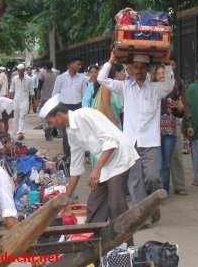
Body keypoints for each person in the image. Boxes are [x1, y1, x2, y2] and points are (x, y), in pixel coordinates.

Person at [40, 95, 139, 243]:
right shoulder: (71, 132)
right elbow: (76, 165)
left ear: (59, 115)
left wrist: (97, 168)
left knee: (116, 205)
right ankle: (92, 243)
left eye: (50, 121)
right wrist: (67, 196)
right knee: (94, 204)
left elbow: (111, 142)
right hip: (105, 164)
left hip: (119, 159)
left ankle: (127, 248)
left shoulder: (85, 114)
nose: (51, 126)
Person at [98, 50, 174, 225]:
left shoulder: (156, 88)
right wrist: (110, 60)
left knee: (153, 177)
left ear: (148, 69)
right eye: (136, 67)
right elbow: (102, 80)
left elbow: (169, 85)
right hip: (130, 142)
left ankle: (153, 206)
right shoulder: (124, 87)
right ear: (131, 69)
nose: (139, 70)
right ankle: (143, 216)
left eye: (142, 67)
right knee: (135, 182)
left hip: (150, 142)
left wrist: (168, 63)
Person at [156, 65, 184, 194]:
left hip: (169, 132)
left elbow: (179, 113)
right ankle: (159, 191)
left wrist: (180, 107)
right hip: (154, 132)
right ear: (155, 76)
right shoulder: (152, 89)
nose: (161, 75)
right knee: (159, 164)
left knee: (166, 163)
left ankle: (164, 191)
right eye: (159, 73)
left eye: (163, 73)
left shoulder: (174, 89)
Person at [53, 57, 87, 163]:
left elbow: (84, 94)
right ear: (71, 64)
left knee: (77, 131)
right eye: (78, 64)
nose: (80, 66)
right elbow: (55, 94)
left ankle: (77, 153)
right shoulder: (61, 78)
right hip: (65, 107)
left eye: (80, 65)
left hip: (77, 107)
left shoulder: (82, 78)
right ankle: (68, 154)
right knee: (67, 132)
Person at [169, 57, 188, 196]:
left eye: (173, 65)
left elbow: (184, 104)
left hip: (175, 119)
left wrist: (188, 124)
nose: (170, 67)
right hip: (156, 122)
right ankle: (159, 186)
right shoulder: (155, 80)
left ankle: (179, 185)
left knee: (176, 154)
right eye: (168, 64)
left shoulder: (179, 83)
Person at [9, 64, 34, 140]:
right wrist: (9, 100)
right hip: (16, 100)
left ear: (24, 70)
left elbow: (32, 91)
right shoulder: (14, 79)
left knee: (22, 116)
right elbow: (12, 90)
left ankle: (21, 132)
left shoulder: (29, 79)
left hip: (25, 100)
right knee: (16, 116)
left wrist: (34, 101)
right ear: (17, 71)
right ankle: (16, 130)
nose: (20, 72)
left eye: (21, 70)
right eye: (18, 71)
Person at [101, 63, 125, 129]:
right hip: (113, 121)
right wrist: (116, 124)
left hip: (114, 120)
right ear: (117, 73)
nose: (125, 74)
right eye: (123, 71)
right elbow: (106, 107)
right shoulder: (108, 86)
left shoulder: (115, 85)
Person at [38, 60, 57, 141]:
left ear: (45, 66)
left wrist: (37, 97)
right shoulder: (55, 74)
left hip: (44, 97)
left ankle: (46, 128)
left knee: (42, 113)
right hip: (53, 98)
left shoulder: (42, 74)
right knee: (51, 114)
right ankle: (51, 128)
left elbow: (39, 86)